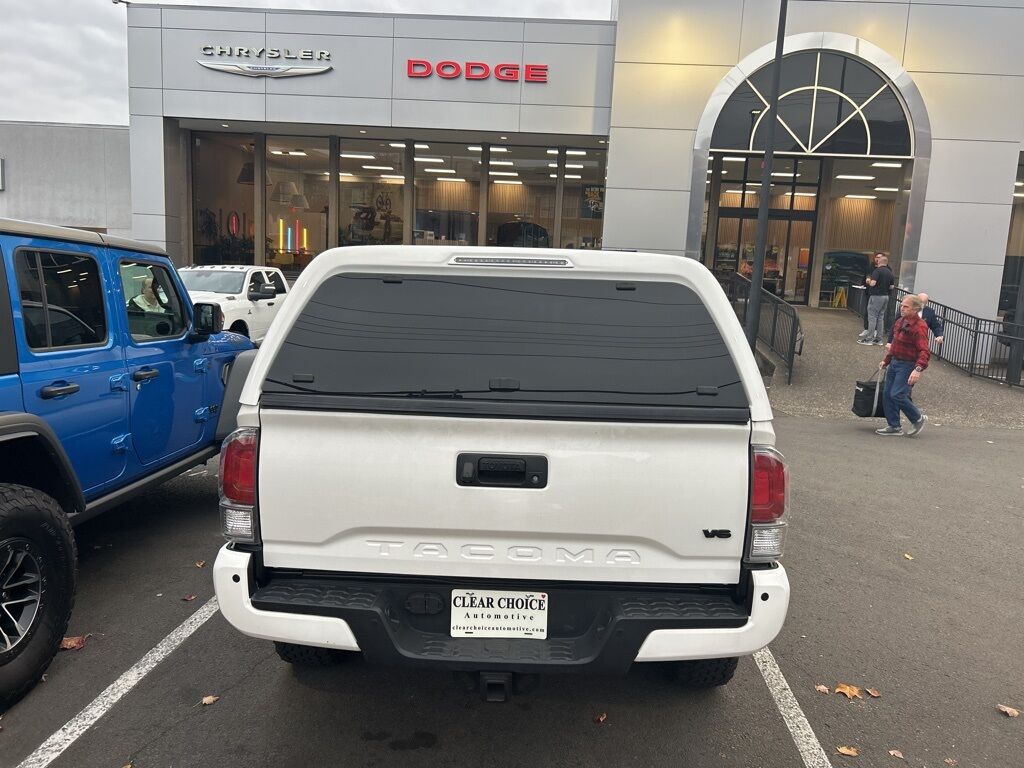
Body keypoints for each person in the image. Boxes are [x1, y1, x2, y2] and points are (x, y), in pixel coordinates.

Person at [876, 294, 930, 437]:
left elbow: (924, 350)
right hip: (895, 362)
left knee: (897, 394)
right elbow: (895, 345)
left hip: (907, 365)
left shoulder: (920, 326)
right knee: (887, 394)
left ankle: (917, 418)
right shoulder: (900, 321)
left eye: (906, 306)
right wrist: (886, 361)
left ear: (915, 309)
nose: (902, 308)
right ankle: (894, 426)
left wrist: (918, 369)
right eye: (902, 305)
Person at [858, 253, 894, 345]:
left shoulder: (877, 271)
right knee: (880, 318)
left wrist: (868, 281)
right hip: (885, 296)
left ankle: (869, 339)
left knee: (872, 317)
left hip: (876, 296)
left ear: (879, 262)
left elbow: (873, 283)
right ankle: (879, 339)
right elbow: (892, 287)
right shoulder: (890, 272)